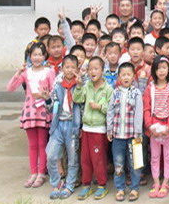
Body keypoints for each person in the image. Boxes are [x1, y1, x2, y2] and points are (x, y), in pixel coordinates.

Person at [7, 42, 56, 189]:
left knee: (42, 144)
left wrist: (45, 95)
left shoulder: (49, 72)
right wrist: (17, 73)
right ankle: (33, 172)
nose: (37, 57)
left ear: (45, 56)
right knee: (32, 145)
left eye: (40, 54)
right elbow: (10, 88)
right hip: (29, 112)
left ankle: (41, 173)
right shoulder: (26, 73)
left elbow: (54, 91)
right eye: (34, 55)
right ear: (30, 56)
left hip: (43, 112)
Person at [74, 56, 113, 200]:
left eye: (96, 69)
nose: (92, 72)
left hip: (99, 130)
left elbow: (111, 108)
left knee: (98, 158)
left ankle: (102, 185)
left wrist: (100, 107)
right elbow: (77, 99)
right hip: (86, 129)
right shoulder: (87, 86)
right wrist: (78, 86)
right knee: (85, 158)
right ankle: (86, 184)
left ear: (103, 70)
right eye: (90, 69)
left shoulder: (108, 89)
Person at [106, 62, 144, 202]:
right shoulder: (115, 92)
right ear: (119, 77)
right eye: (123, 75)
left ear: (133, 76)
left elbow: (139, 113)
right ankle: (120, 188)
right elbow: (110, 111)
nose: (126, 77)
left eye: (129, 74)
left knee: (135, 163)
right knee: (119, 164)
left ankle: (134, 188)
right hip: (117, 135)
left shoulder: (136, 93)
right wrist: (109, 129)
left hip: (133, 136)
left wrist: (138, 132)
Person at [46, 54, 81, 199]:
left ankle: (70, 185)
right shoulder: (58, 85)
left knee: (72, 158)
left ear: (77, 69)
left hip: (73, 124)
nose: (70, 70)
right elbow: (51, 107)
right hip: (59, 124)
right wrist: (47, 99)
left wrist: (80, 127)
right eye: (67, 67)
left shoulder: (80, 85)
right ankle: (56, 183)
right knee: (50, 155)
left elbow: (82, 105)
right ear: (62, 69)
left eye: (73, 67)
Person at [143, 56, 169, 199]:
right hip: (154, 126)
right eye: (158, 68)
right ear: (154, 71)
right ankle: (156, 182)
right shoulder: (150, 87)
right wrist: (149, 126)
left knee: (168, 156)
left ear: (168, 70)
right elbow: (147, 108)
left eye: (164, 68)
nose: (161, 71)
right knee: (155, 156)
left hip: (167, 126)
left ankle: (165, 182)